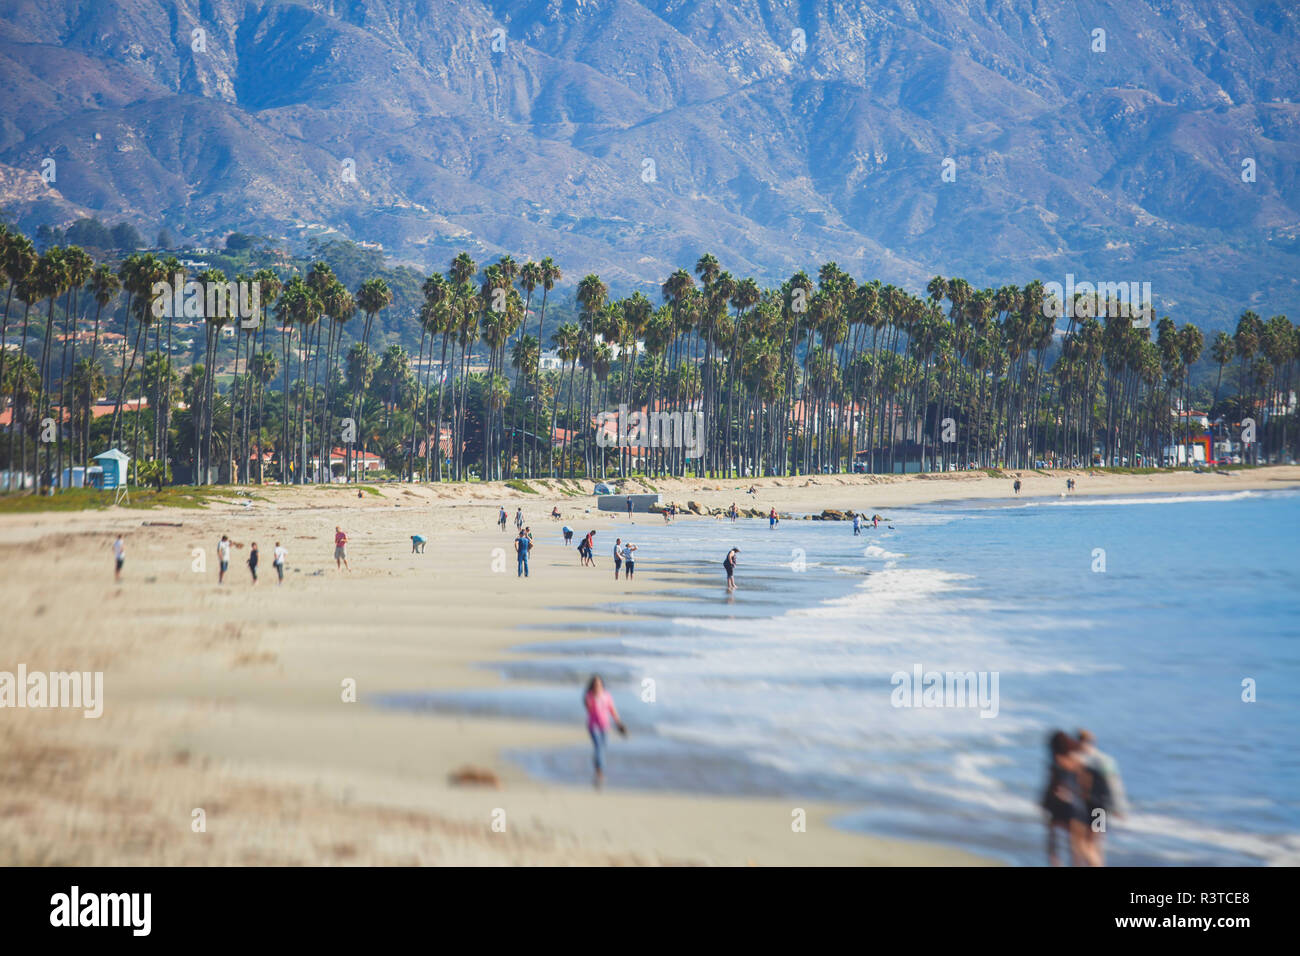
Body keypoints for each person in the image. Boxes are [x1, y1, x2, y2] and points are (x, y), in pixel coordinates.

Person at [1040, 730, 1093, 867]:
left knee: (1053, 844)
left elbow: (1052, 785)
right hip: (1078, 806)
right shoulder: (1077, 762)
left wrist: (1044, 802)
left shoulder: (1057, 762)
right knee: (1079, 846)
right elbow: (1086, 784)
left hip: (1060, 805)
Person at [1078, 728, 1127, 866]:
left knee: (1088, 844)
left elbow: (1114, 785)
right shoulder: (1105, 760)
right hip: (1098, 806)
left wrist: (1119, 807)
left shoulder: (1088, 761)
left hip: (1094, 806)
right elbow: (1115, 785)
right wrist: (1119, 807)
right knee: (1095, 844)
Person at [583, 675, 626, 789]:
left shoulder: (607, 695)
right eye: (595, 683)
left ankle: (598, 767)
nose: (598, 685)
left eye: (599, 683)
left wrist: (618, 723)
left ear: (602, 684)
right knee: (598, 747)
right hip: (593, 726)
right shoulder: (590, 695)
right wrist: (591, 699)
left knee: (603, 746)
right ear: (593, 685)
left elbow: (612, 709)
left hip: (605, 726)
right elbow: (588, 708)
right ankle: (599, 771)